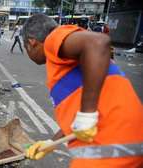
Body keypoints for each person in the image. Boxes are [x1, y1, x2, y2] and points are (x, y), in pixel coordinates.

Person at [23, 14, 143, 168]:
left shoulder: (53, 39)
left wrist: (87, 114)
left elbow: (98, 41)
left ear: (32, 42)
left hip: (107, 146)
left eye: (26, 48)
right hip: (128, 142)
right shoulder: (70, 62)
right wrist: (51, 142)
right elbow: (79, 115)